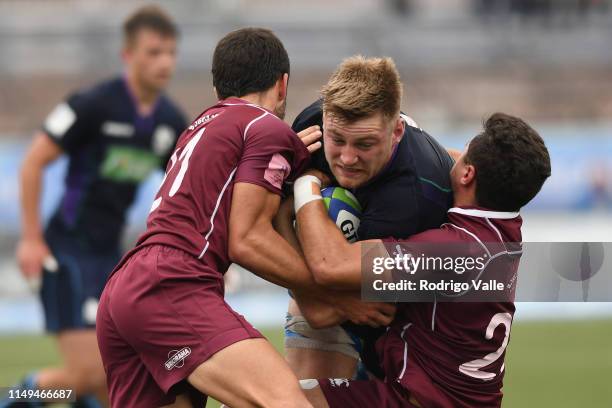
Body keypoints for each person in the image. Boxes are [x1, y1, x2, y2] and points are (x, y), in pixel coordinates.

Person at [95, 28, 394, 408]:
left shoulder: (200, 127)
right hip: (172, 285)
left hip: (125, 289)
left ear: (218, 87)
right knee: (287, 402)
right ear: (282, 85)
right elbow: (247, 239)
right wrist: (338, 297)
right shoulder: (263, 127)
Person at [292, 112, 551, 407]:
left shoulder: (450, 254)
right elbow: (451, 159)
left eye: (464, 153)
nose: (454, 156)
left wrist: (306, 184)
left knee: (272, 398)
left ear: (467, 174)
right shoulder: (504, 230)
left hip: (418, 402)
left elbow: (332, 264)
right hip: (446, 398)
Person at [9, 6, 185, 408]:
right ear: (128, 55)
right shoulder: (92, 104)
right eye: (154, 52)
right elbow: (33, 163)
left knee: (119, 378)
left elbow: (181, 188)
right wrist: (31, 240)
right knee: (89, 375)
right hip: (66, 252)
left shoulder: (169, 122)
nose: (164, 62)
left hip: (111, 259)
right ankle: (16, 395)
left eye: (171, 53)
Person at [282, 55, 455, 380]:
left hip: (406, 318)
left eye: (365, 144)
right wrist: (320, 299)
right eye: (337, 140)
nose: (347, 158)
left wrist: (305, 186)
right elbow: (263, 226)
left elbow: (331, 281)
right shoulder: (311, 127)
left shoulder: (413, 195)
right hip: (339, 288)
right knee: (300, 396)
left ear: (397, 131)